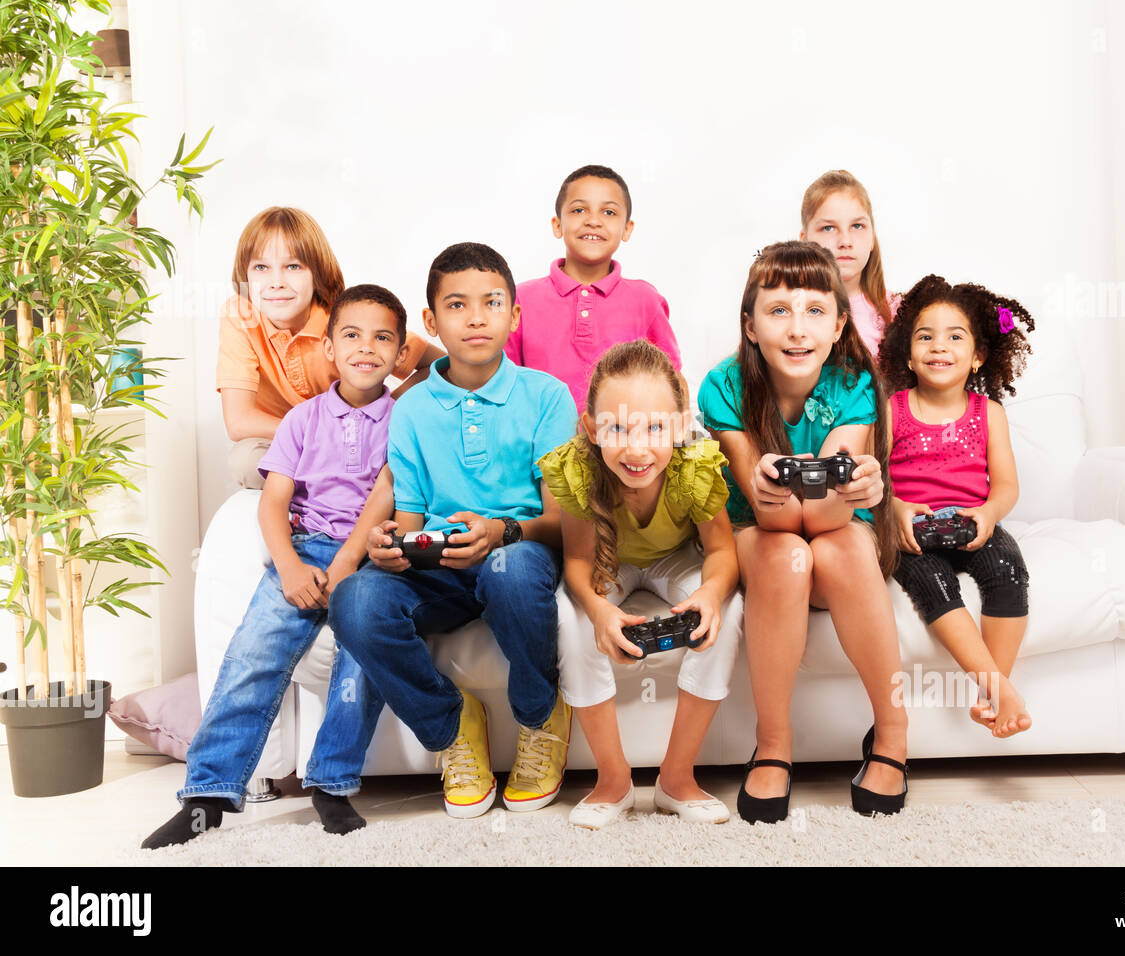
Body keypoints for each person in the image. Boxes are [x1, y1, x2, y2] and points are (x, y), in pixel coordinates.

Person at [143, 284, 408, 849]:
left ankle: (332, 785)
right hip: (305, 547)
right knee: (253, 652)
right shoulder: (302, 419)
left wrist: (345, 567)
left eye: (383, 337)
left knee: (363, 660)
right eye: (351, 335)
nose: (366, 348)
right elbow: (273, 502)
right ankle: (207, 795)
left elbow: (385, 496)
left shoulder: (405, 419)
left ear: (400, 351)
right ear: (330, 350)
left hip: (371, 557)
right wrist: (289, 566)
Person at [328, 242, 577, 819]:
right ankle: (451, 724)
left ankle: (540, 718)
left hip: (519, 554)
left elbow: (563, 522)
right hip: (437, 570)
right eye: (457, 305)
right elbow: (408, 520)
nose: (475, 317)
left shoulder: (546, 397)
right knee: (357, 597)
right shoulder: (411, 410)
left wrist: (498, 532)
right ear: (431, 321)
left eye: (491, 303)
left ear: (513, 316)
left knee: (510, 570)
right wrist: (390, 547)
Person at [697, 240, 906, 823]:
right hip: (761, 528)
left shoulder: (854, 381)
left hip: (837, 526)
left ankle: (892, 732)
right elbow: (777, 518)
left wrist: (857, 487)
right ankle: (774, 742)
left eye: (816, 311)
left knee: (836, 553)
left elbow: (821, 516)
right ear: (750, 324)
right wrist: (769, 483)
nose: (797, 329)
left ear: (841, 325)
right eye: (778, 310)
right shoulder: (724, 385)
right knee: (789, 555)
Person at [541, 341, 742, 829]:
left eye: (655, 427)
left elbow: (721, 552)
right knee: (570, 618)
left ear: (677, 426)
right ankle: (613, 781)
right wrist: (599, 610)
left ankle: (677, 779)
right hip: (611, 566)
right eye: (616, 428)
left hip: (676, 562)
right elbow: (577, 562)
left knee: (727, 612)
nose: (636, 448)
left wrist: (711, 595)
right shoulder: (578, 467)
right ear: (591, 429)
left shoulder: (694, 465)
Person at [876, 273, 1036, 738]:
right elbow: (875, 477)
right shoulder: (894, 408)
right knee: (932, 581)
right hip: (912, 528)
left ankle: (992, 693)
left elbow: (1006, 485)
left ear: (977, 356)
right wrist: (898, 508)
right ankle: (999, 689)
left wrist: (988, 515)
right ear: (908, 354)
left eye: (954, 337)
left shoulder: (989, 412)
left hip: (973, 521)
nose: (938, 347)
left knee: (1007, 568)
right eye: (925, 337)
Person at [216, 206, 443, 488]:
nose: (276, 282)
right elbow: (239, 422)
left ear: (317, 274)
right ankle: (324, 496)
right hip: (294, 440)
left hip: (359, 439)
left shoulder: (343, 317)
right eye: (261, 267)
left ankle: (340, 490)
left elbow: (443, 366)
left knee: (413, 458)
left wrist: (389, 410)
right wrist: (321, 432)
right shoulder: (241, 315)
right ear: (246, 276)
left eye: (293, 266)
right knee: (246, 461)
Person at [506, 164, 681, 412]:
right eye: (579, 210)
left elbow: (670, 381)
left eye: (608, 212)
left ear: (627, 229)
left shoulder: (646, 300)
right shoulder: (520, 298)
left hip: (624, 444)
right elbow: (503, 380)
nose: (593, 221)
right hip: (542, 444)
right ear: (557, 225)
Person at [799, 170, 900, 358]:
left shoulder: (896, 311)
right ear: (804, 242)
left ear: (872, 238)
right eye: (828, 228)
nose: (845, 241)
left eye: (857, 226)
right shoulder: (787, 307)